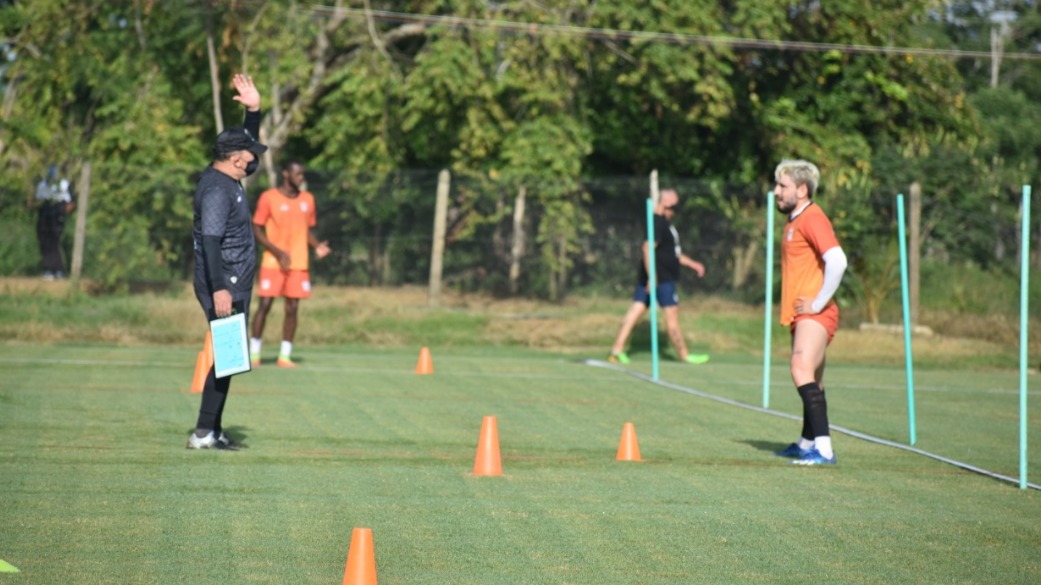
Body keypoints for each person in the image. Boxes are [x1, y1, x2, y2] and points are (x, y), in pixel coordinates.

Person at [187, 74, 267, 450]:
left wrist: (253, 110)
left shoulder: (228, 175)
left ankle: (211, 430)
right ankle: (204, 432)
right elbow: (211, 241)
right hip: (225, 282)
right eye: (249, 157)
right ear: (236, 159)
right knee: (231, 356)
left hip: (233, 281)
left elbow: (247, 146)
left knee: (232, 358)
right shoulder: (218, 191)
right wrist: (219, 287)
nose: (254, 162)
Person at [771, 159, 848, 466]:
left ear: (802, 190)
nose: (776, 191)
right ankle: (807, 443)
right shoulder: (794, 219)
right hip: (804, 314)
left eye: (782, 186)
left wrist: (817, 303)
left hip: (815, 314)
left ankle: (824, 450)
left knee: (800, 369)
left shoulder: (812, 217)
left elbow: (838, 260)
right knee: (813, 378)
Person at [608, 188, 710, 365]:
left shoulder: (665, 224)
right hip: (660, 279)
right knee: (671, 315)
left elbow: (673, 254)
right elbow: (647, 248)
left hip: (655, 277)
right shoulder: (657, 223)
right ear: (665, 205)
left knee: (636, 311)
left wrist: (693, 264)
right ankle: (684, 354)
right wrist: (652, 276)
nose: (676, 211)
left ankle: (616, 350)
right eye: (674, 207)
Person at [249, 160, 331, 368]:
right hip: (273, 262)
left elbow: (306, 230)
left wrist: (317, 246)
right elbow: (256, 228)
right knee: (265, 305)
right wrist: (277, 252)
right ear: (286, 174)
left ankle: (285, 356)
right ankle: (254, 353)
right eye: (297, 173)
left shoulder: (308, 199)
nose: (301, 177)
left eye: (302, 174)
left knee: (292, 308)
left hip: (298, 263)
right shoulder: (269, 197)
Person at [30, 165, 74, 280]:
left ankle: (57, 269)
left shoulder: (63, 184)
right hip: (44, 213)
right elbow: (37, 200)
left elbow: (70, 202)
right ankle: (49, 269)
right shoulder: (43, 184)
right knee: (45, 242)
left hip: (57, 211)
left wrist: (63, 211)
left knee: (54, 242)